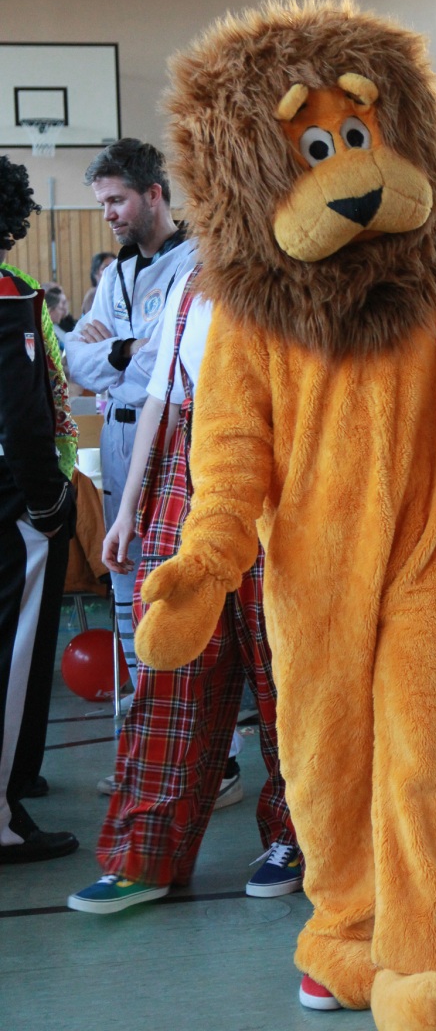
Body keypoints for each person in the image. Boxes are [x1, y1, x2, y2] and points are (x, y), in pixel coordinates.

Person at [68, 267, 299, 913]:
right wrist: (126, 508)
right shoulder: (194, 283)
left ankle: (300, 836)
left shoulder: (304, 270)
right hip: (189, 476)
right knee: (169, 669)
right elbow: (162, 397)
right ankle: (144, 855)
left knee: (286, 670)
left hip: (281, 480)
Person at [66, 139, 196, 686]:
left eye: (117, 201)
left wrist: (116, 353)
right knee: (123, 566)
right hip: (119, 439)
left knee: (176, 574)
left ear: (153, 194)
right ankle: (139, 709)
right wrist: (124, 348)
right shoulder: (116, 273)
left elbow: (167, 366)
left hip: (173, 434)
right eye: (102, 204)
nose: (108, 215)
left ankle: (194, 716)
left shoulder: (195, 261)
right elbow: (75, 358)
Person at [0, 156, 78, 863]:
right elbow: (22, 418)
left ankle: (18, 773)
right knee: (15, 654)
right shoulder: (6, 296)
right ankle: (2, 814)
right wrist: (47, 501)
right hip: (13, 499)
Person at [81, 250, 116, 315]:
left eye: (114, 268)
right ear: (96, 273)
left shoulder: (119, 292)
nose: (111, 271)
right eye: (105, 268)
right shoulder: (92, 295)